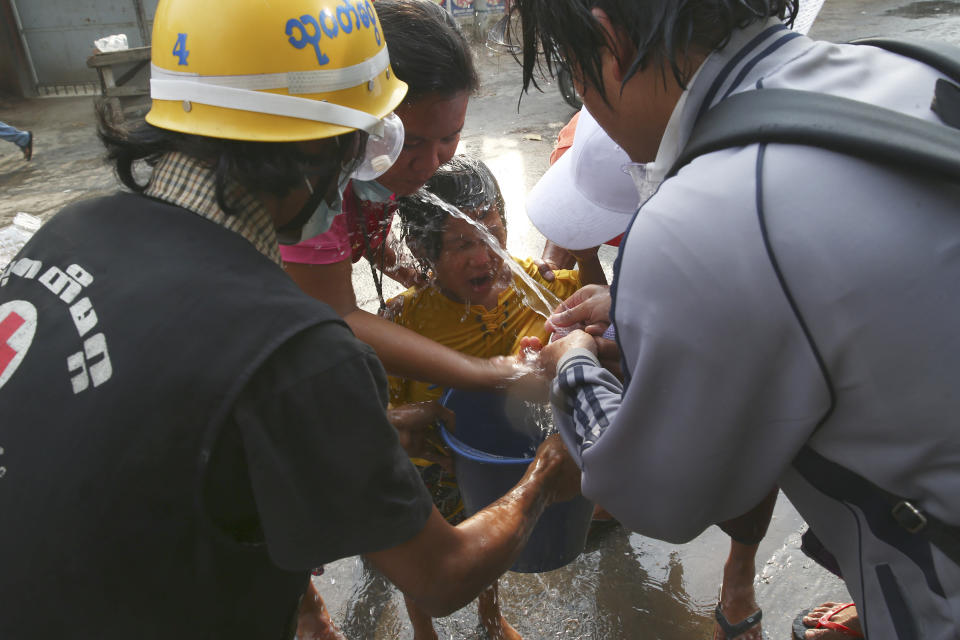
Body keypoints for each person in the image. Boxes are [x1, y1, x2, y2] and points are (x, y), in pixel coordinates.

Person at [0, 1, 581, 638]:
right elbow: (441, 577)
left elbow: (152, 431)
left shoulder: (69, 233)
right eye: (374, 139)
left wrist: (367, 426)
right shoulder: (296, 350)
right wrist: (548, 470)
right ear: (317, 142)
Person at [509, 0, 960, 638]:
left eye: (569, 74)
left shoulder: (700, 214)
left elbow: (656, 495)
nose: (580, 96)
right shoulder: (900, 67)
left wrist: (574, 365)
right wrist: (635, 311)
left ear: (605, 40)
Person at [528, 105, 778, 640]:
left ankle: (739, 576)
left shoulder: (749, 233)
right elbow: (575, 249)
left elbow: (664, 501)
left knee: (749, 438)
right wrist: (617, 313)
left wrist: (576, 360)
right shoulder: (591, 142)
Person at [382, 154, 600, 640]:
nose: (484, 255)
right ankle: (423, 630)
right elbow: (379, 418)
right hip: (432, 468)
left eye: (492, 233)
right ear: (422, 251)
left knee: (486, 543)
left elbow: (595, 312)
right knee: (423, 553)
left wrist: (586, 260)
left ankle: (489, 617)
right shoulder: (403, 324)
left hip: (493, 460)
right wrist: (430, 415)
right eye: (461, 244)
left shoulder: (537, 286)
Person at [280, 0, 536, 396]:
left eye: (450, 137)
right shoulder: (312, 184)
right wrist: (489, 373)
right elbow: (336, 315)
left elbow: (365, 235)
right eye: (412, 142)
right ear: (357, 119)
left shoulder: (385, 167)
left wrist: (420, 281)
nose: (431, 163)